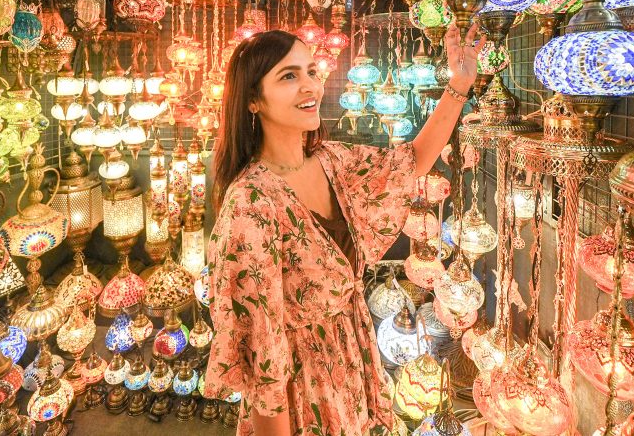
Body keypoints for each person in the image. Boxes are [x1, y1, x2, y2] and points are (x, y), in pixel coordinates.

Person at [204, 23, 482, 436]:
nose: (310, 86)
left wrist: (459, 84)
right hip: (304, 396)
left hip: (352, 368)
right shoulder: (252, 204)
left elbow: (411, 162)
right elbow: (263, 359)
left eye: (311, 71)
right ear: (252, 101)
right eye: (288, 76)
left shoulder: (332, 161)